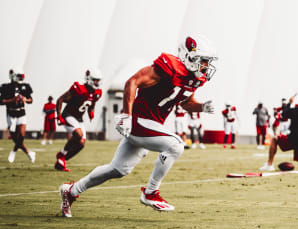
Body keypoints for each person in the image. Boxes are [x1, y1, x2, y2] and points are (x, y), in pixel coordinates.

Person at [58, 35, 218, 217]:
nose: (206, 65)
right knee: (176, 145)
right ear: (190, 57)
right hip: (138, 121)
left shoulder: (195, 79)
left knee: (118, 169)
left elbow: (185, 103)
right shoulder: (169, 67)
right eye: (204, 60)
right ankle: (151, 192)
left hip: (150, 125)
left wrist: (202, 107)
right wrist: (126, 114)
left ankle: (71, 191)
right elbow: (132, 82)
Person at [54, 69, 102, 172]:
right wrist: (59, 116)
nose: (97, 83)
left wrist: (91, 112)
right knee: (78, 134)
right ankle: (61, 155)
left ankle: (62, 160)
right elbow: (60, 99)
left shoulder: (97, 92)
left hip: (79, 119)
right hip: (68, 115)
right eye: (95, 80)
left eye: (98, 80)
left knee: (81, 144)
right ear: (89, 79)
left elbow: (92, 103)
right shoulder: (78, 89)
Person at [0, 68, 35, 163]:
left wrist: (25, 100)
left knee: (22, 135)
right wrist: (12, 100)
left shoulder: (25, 86)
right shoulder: (6, 87)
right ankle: (28, 153)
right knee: (15, 138)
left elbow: (31, 100)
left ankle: (14, 151)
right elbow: (1, 101)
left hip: (21, 113)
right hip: (11, 114)